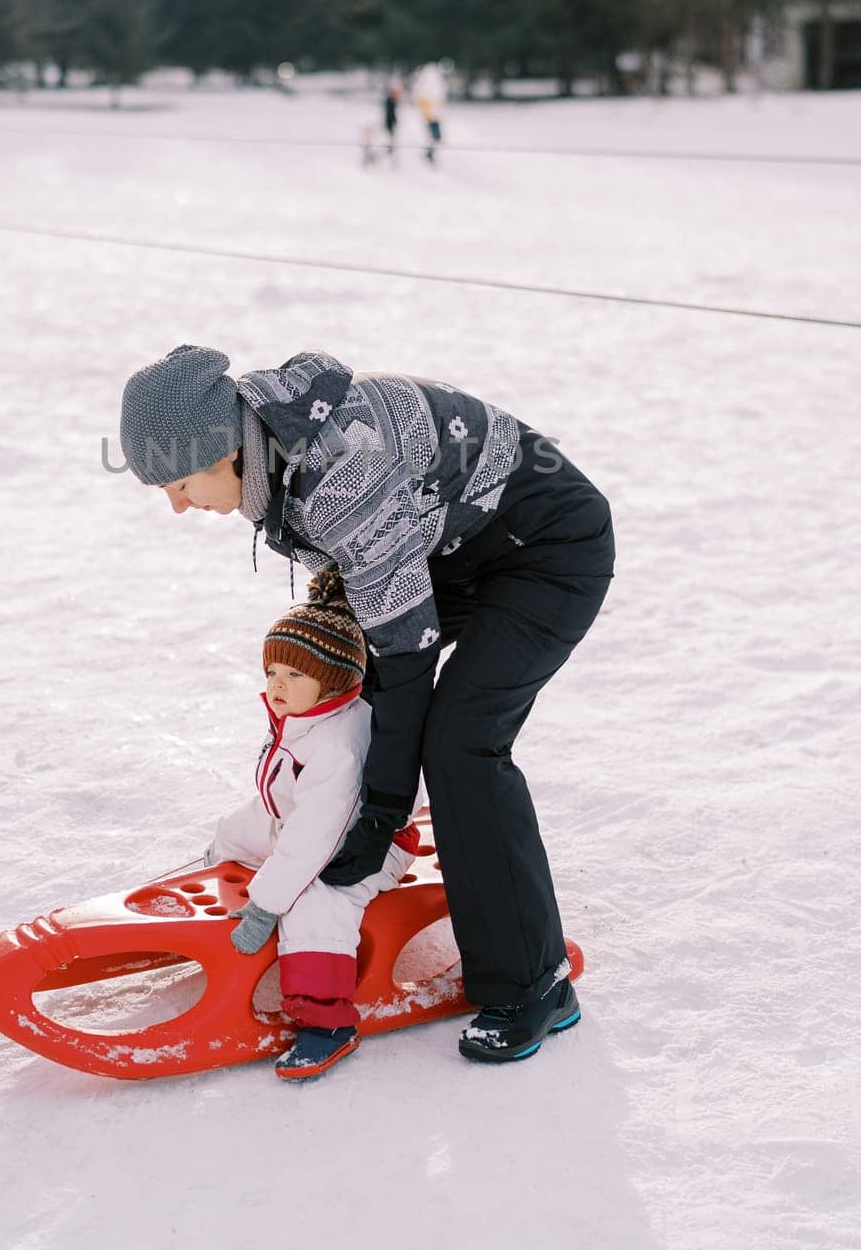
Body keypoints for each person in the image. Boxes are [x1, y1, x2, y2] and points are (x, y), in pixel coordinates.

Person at [119, 346, 615, 1064]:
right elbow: (371, 613)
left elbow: (406, 654)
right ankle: (328, 845)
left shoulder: (336, 473)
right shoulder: (277, 451)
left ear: (225, 451)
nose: (176, 504)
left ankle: (536, 986)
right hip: (456, 547)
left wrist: (381, 813)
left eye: (180, 481)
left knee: (461, 742)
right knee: (362, 701)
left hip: (545, 551)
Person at [207, 566, 419, 1081]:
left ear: (335, 679)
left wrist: (267, 905)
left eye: (294, 675)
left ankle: (326, 1022)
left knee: (316, 900)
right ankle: (202, 910)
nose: (277, 685)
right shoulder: (306, 714)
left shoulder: (341, 745)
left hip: (362, 848)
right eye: (272, 672)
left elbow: (315, 843)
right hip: (301, 824)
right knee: (232, 831)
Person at [412, 61, 446, 162]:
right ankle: (429, 154)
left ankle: (430, 153)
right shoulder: (426, 87)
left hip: (433, 117)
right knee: (433, 137)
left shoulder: (428, 86)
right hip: (431, 117)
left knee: (435, 138)